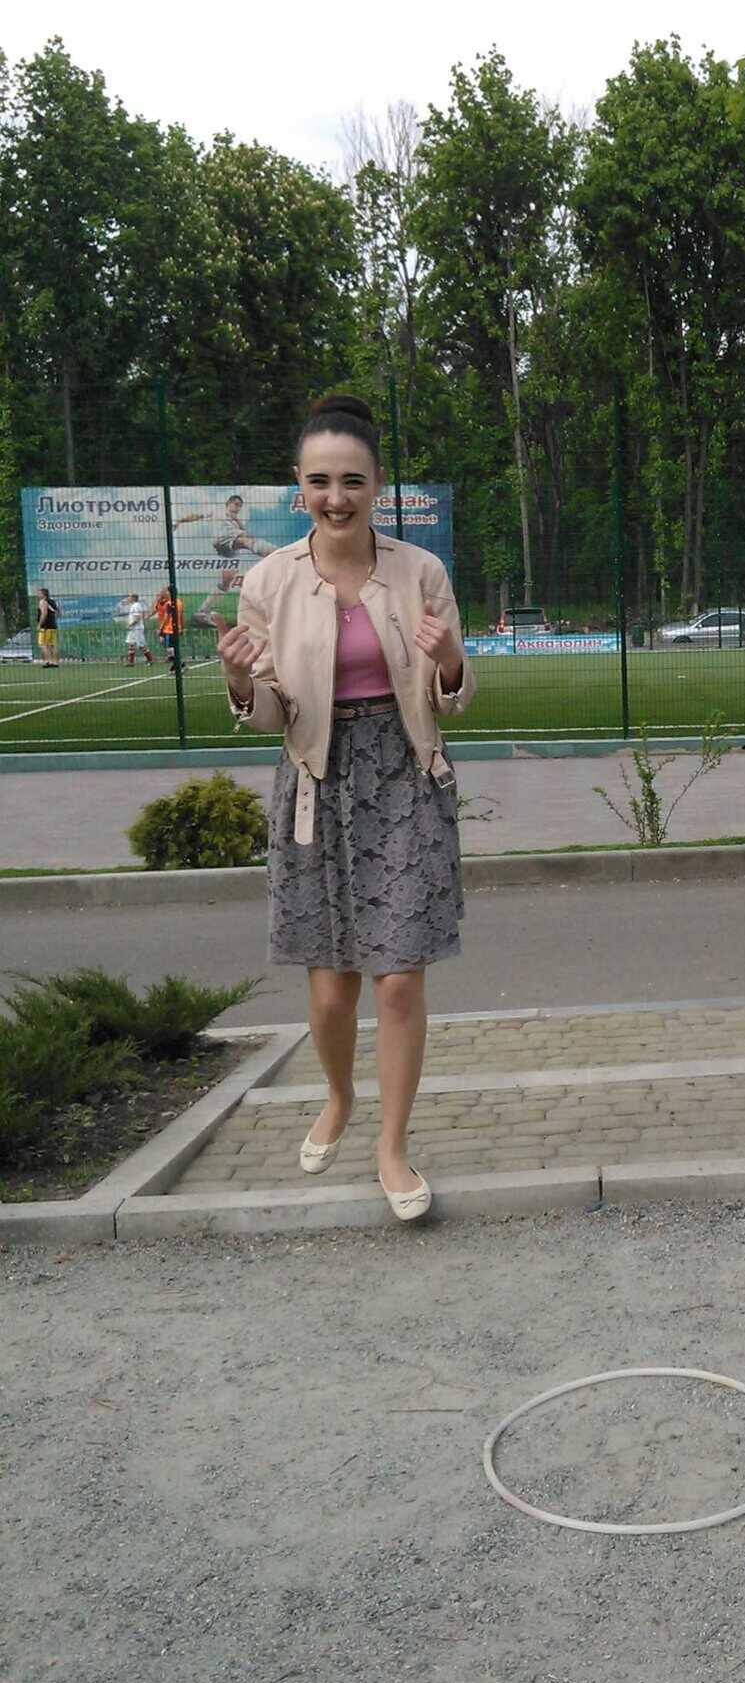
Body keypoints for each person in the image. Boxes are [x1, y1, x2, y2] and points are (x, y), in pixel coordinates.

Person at [214, 393, 474, 1222]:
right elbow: (271, 715)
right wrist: (238, 680)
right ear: (299, 485)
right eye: (321, 481)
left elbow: (453, 696)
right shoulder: (269, 582)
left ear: (378, 484)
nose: (337, 497)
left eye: (353, 481)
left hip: (404, 778)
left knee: (397, 981)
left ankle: (392, 1147)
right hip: (316, 785)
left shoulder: (420, 573)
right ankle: (338, 1094)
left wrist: (451, 657)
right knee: (332, 991)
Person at [153, 587, 184, 672]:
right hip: (176, 628)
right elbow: (181, 616)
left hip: (170, 629)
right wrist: (181, 627)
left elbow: (166, 617)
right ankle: (177, 665)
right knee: (172, 648)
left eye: (166, 592)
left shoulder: (169, 603)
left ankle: (180, 665)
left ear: (169, 593)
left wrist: (160, 629)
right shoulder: (179, 602)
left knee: (170, 649)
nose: (165, 593)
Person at [118, 593, 154, 666]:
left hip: (137, 628)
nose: (128, 599)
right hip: (133, 629)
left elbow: (138, 618)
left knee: (141, 644)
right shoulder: (133, 606)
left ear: (133, 598)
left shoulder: (136, 606)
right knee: (131, 643)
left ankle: (150, 659)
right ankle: (131, 662)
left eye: (129, 597)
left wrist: (130, 625)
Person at [35, 588, 60, 666]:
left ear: (43, 594)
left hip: (45, 626)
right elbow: (58, 612)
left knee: (43, 644)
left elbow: (44, 613)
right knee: (52, 645)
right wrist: (53, 619)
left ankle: (47, 661)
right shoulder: (52, 602)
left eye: (39, 593)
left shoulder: (42, 602)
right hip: (53, 626)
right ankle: (55, 662)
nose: (37, 595)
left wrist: (39, 624)